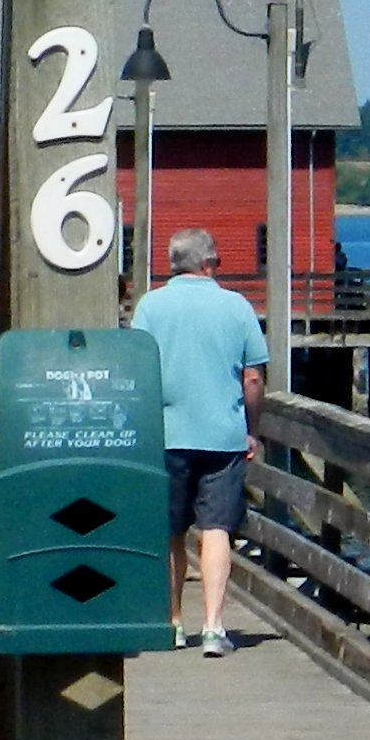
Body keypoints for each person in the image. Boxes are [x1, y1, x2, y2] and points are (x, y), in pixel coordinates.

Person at [132, 226, 270, 656]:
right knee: (215, 530)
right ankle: (213, 627)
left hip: (166, 435)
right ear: (209, 263)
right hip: (222, 437)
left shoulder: (150, 307)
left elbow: (138, 371)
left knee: (169, 531)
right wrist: (252, 427)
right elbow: (252, 378)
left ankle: (173, 622)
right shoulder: (236, 307)